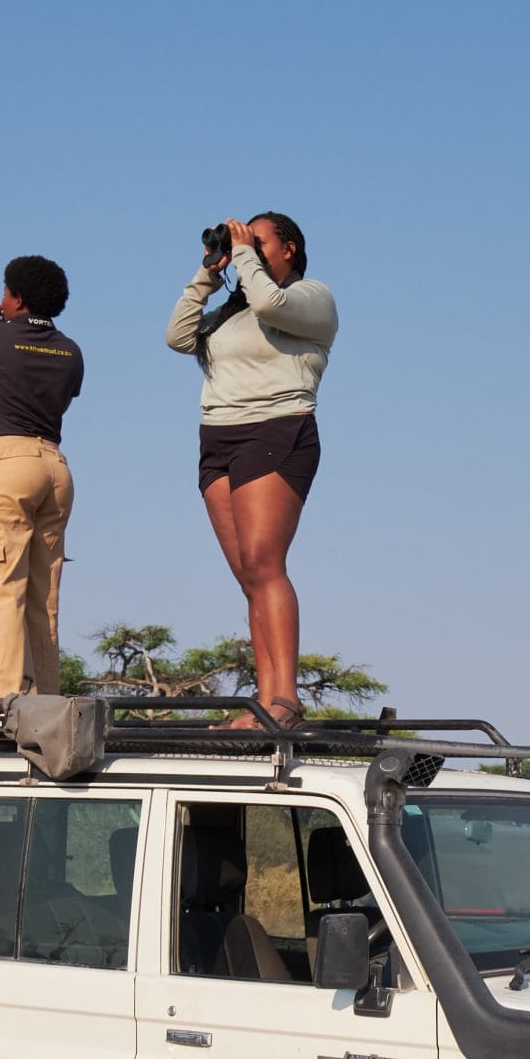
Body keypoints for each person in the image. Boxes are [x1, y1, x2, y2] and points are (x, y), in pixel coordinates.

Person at [165, 213, 336, 729]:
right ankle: (264, 703)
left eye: (259, 243)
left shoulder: (310, 297)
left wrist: (243, 255)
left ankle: (286, 701)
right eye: (245, 243)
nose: (249, 251)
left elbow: (268, 302)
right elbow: (177, 336)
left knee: (264, 564)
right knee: (248, 577)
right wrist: (207, 273)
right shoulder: (232, 312)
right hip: (218, 437)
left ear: (290, 248)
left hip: (277, 428)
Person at [0, 255, 83, 699]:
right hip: (55, 467)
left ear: (17, 299)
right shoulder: (70, 350)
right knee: (43, 598)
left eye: (5, 292)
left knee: (0, 585)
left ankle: (1, 705)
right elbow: (57, 401)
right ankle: (44, 705)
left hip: (7, 463)